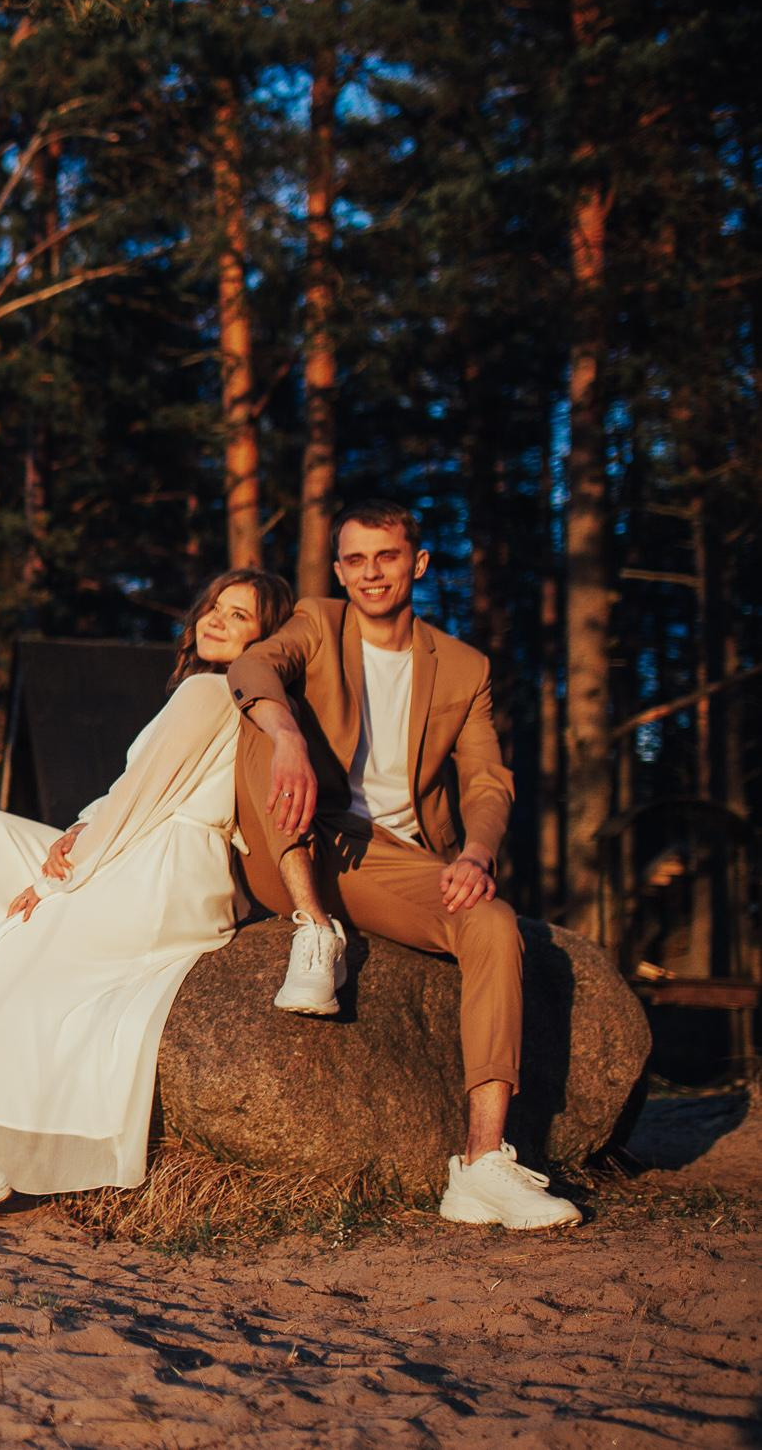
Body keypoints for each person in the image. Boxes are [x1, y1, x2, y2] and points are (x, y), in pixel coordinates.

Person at [0, 568, 293, 1217]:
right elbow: (126, 793)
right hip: (133, 845)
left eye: (239, 615)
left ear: (266, 638)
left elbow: (138, 802)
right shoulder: (204, 689)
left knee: (6, 958)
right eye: (214, 606)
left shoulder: (211, 693)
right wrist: (73, 834)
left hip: (158, 873)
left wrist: (48, 881)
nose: (215, 618)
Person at [228, 498, 579, 1230]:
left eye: (386, 556)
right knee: (264, 716)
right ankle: (314, 928)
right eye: (355, 559)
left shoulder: (462, 665)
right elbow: (255, 662)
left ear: (417, 562)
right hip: (302, 840)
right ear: (338, 570)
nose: (371, 573)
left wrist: (477, 852)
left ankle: (482, 1165)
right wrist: (289, 730)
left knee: (492, 922)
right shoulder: (320, 625)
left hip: (396, 859)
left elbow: (487, 779)